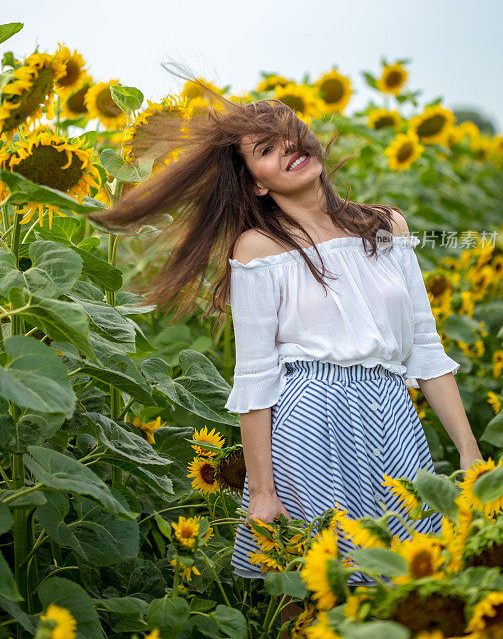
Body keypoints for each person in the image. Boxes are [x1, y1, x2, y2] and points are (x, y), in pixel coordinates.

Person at [90, 77, 482, 629]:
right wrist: (263, 491)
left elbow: (425, 348)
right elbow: (255, 376)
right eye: (266, 150)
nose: (288, 149)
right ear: (255, 185)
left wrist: (468, 450)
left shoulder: (385, 227)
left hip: (393, 420)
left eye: (290, 135)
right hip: (310, 423)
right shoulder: (259, 248)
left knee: (406, 586)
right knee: (315, 591)